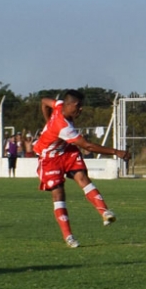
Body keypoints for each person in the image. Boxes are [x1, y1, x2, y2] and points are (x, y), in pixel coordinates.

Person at [34, 89, 131, 248]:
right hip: (49, 158)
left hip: (66, 150)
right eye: (78, 106)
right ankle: (69, 236)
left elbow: (44, 101)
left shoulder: (59, 106)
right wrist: (115, 152)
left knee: (82, 178)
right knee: (59, 194)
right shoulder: (63, 126)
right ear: (68, 104)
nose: (81, 109)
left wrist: (47, 120)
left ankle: (105, 212)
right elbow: (88, 146)